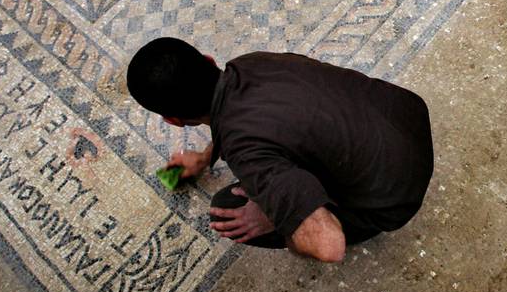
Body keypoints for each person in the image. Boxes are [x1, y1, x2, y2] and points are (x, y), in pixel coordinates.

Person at [126, 37, 433, 263]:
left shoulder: (245, 152)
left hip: (394, 198)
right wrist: (206, 157)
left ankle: (356, 215)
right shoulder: (250, 63)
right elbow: (236, 115)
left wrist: (280, 216)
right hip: (405, 117)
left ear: (174, 121)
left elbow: (329, 246)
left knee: (226, 205)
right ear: (208, 61)